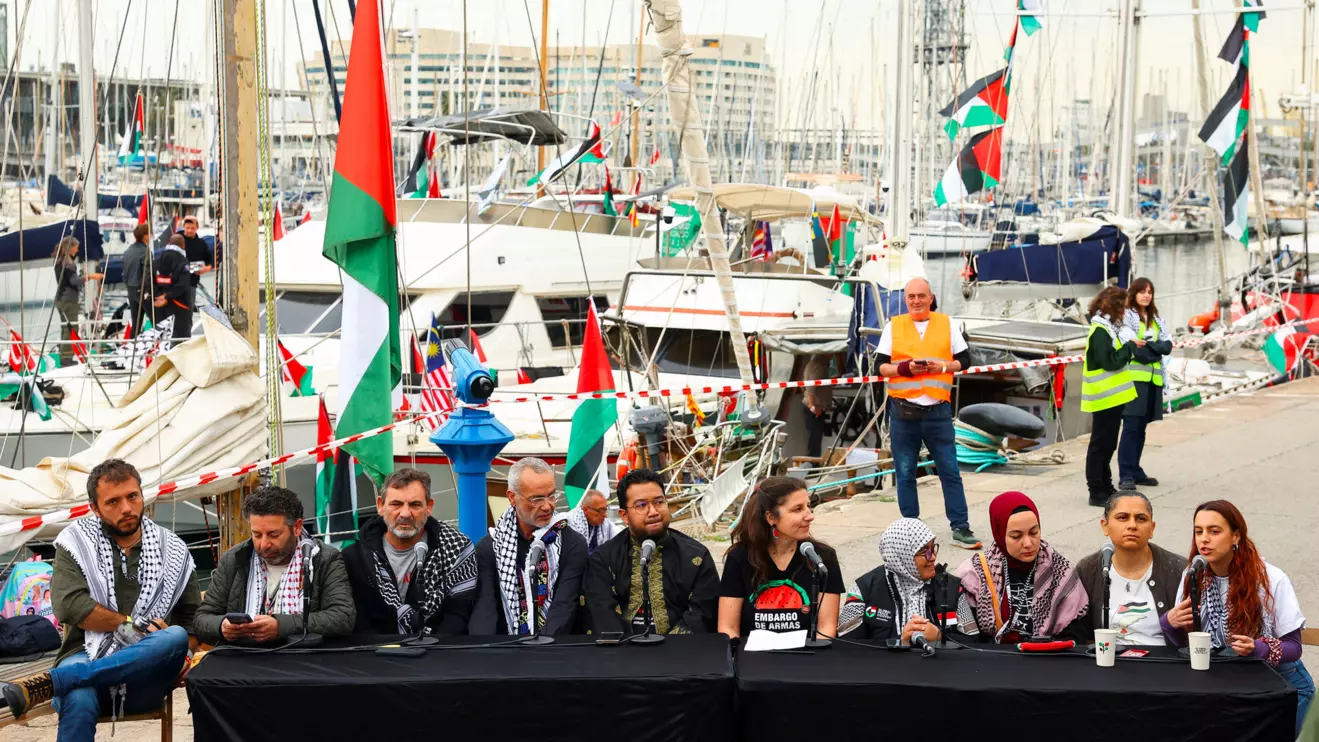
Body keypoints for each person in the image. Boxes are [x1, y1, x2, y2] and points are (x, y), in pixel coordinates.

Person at [0, 460, 199, 737]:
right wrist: (134, 627)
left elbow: (191, 622)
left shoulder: (173, 548)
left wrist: (186, 653)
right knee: (79, 698)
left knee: (174, 635)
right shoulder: (76, 542)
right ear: (94, 508)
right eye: (113, 502)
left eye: (132, 496)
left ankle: (54, 682)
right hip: (82, 655)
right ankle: (68, 679)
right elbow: (70, 606)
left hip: (146, 674)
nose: (127, 508)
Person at [1162, 501, 1313, 736]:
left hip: (1281, 684)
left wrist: (1258, 648)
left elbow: (1294, 648)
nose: (1204, 539)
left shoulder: (1271, 578)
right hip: (1225, 681)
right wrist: (1169, 624)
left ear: (1236, 536)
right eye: (1198, 531)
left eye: (1214, 531)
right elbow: (1184, 646)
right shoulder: (1193, 574)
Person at [876, 277, 980, 548]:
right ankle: (912, 531)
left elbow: (965, 360)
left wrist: (942, 366)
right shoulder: (894, 326)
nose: (916, 301)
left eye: (921, 296)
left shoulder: (947, 324)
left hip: (937, 412)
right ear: (905, 299)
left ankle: (961, 528)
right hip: (903, 411)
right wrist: (904, 369)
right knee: (905, 471)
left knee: (949, 471)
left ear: (931, 297)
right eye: (911, 296)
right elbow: (880, 366)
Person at [193, 486, 355, 645]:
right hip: (244, 656)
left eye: (273, 534)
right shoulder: (235, 558)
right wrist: (222, 626)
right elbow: (202, 619)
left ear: (297, 527)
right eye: (256, 534)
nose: (264, 544)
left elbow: (343, 617)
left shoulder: (324, 558)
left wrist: (280, 626)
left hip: (303, 657)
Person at [343, 468, 478, 636]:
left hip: (440, 651)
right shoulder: (354, 558)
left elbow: (458, 616)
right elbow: (358, 621)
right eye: (396, 504)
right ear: (380, 506)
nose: (405, 513)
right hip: (375, 654)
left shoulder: (457, 549)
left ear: (429, 507)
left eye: (415, 505)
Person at [584, 469, 720, 636]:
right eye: (641, 505)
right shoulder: (604, 558)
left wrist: (667, 651)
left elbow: (703, 613)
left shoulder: (696, 556)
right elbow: (602, 611)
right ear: (624, 515)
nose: (653, 511)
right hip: (621, 654)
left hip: (681, 654)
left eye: (658, 502)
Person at [469, 457, 587, 636]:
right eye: (537, 499)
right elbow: (485, 610)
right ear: (512, 497)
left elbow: (564, 606)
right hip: (505, 650)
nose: (547, 506)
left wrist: (536, 651)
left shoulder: (573, 543)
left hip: (555, 649)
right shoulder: (490, 547)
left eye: (552, 495)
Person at [717, 476, 844, 639]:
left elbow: (826, 628)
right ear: (771, 518)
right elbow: (728, 628)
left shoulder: (823, 557)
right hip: (752, 659)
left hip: (808, 660)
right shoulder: (740, 557)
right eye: (798, 509)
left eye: (808, 506)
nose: (810, 516)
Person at [953, 491, 1088, 643]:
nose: (1028, 543)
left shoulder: (1059, 570)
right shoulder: (976, 573)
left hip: (1047, 660)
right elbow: (966, 637)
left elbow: (1076, 634)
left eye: (1034, 532)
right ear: (999, 534)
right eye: (1016, 536)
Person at [1074, 493, 1184, 645]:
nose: (1132, 525)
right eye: (1122, 517)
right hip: (1109, 660)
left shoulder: (1178, 570)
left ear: (1152, 528)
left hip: (1162, 662)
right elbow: (1080, 634)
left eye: (1141, 518)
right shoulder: (1088, 569)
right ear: (1105, 526)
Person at [838, 518, 959, 643]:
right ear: (902, 555)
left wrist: (941, 637)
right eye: (924, 552)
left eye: (933, 548)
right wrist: (899, 642)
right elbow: (847, 646)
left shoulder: (953, 587)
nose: (933, 557)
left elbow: (973, 642)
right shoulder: (862, 591)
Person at [1082, 286, 1140, 506]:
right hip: (1103, 396)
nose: (1125, 312)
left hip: (1111, 397)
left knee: (1107, 444)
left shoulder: (1106, 328)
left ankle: (1106, 485)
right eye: (1123, 308)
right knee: (1100, 445)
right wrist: (1129, 348)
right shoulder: (1100, 331)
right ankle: (1096, 490)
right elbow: (1110, 361)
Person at [1117, 278, 1172, 490]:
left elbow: (1167, 345)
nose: (1146, 295)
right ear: (1134, 294)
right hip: (1134, 381)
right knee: (1131, 426)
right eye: (1142, 291)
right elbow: (1135, 350)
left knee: (1142, 428)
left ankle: (1135, 469)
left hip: (1153, 380)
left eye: (1149, 291)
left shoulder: (1156, 318)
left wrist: (1150, 347)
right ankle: (1126, 474)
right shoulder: (1127, 317)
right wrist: (1153, 348)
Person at [53, 236, 104, 366]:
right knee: (71, 328)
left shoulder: (60, 261)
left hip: (62, 299)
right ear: (70, 247)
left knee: (66, 328)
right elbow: (73, 281)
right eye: (76, 247)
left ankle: (65, 357)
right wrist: (91, 276)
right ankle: (66, 359)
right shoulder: (67, 263)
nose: (77, 250)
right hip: (68, 300)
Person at [151, 235, 194, 343]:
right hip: (179, 304)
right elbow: (183, 284)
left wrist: (159, 296)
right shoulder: (183, 261)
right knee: (181, 336)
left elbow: (150, 280)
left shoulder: (158, 259)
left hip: (160, 304)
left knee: (162, 336)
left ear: (169, 242)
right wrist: (167, 296)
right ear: (183, 245)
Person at [556, 489, 618, 555]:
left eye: (605, 509)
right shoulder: (569, 523)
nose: (605, 515)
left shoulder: (604, 523)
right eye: (601, 510)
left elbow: (618, 535)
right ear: (585, 509)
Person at [801, 353, 835, 461]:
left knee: (814, 439)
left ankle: (813, 464)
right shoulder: (819, 366)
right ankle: (813, 466)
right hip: (815, 410)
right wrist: (813, 406)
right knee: (815, 440)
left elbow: (804, 386)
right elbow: (811, 386)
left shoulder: (812, 365)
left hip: (816, 408)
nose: (832, 355)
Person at [121, 224, 151, 338]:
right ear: (145, 236)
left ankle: (131, 348)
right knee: (157, 321)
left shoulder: (128, 251)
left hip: (131, 291)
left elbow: (124, 273)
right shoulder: (145, 251)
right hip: (143, 291)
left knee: (136, 324)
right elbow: (147, 275)